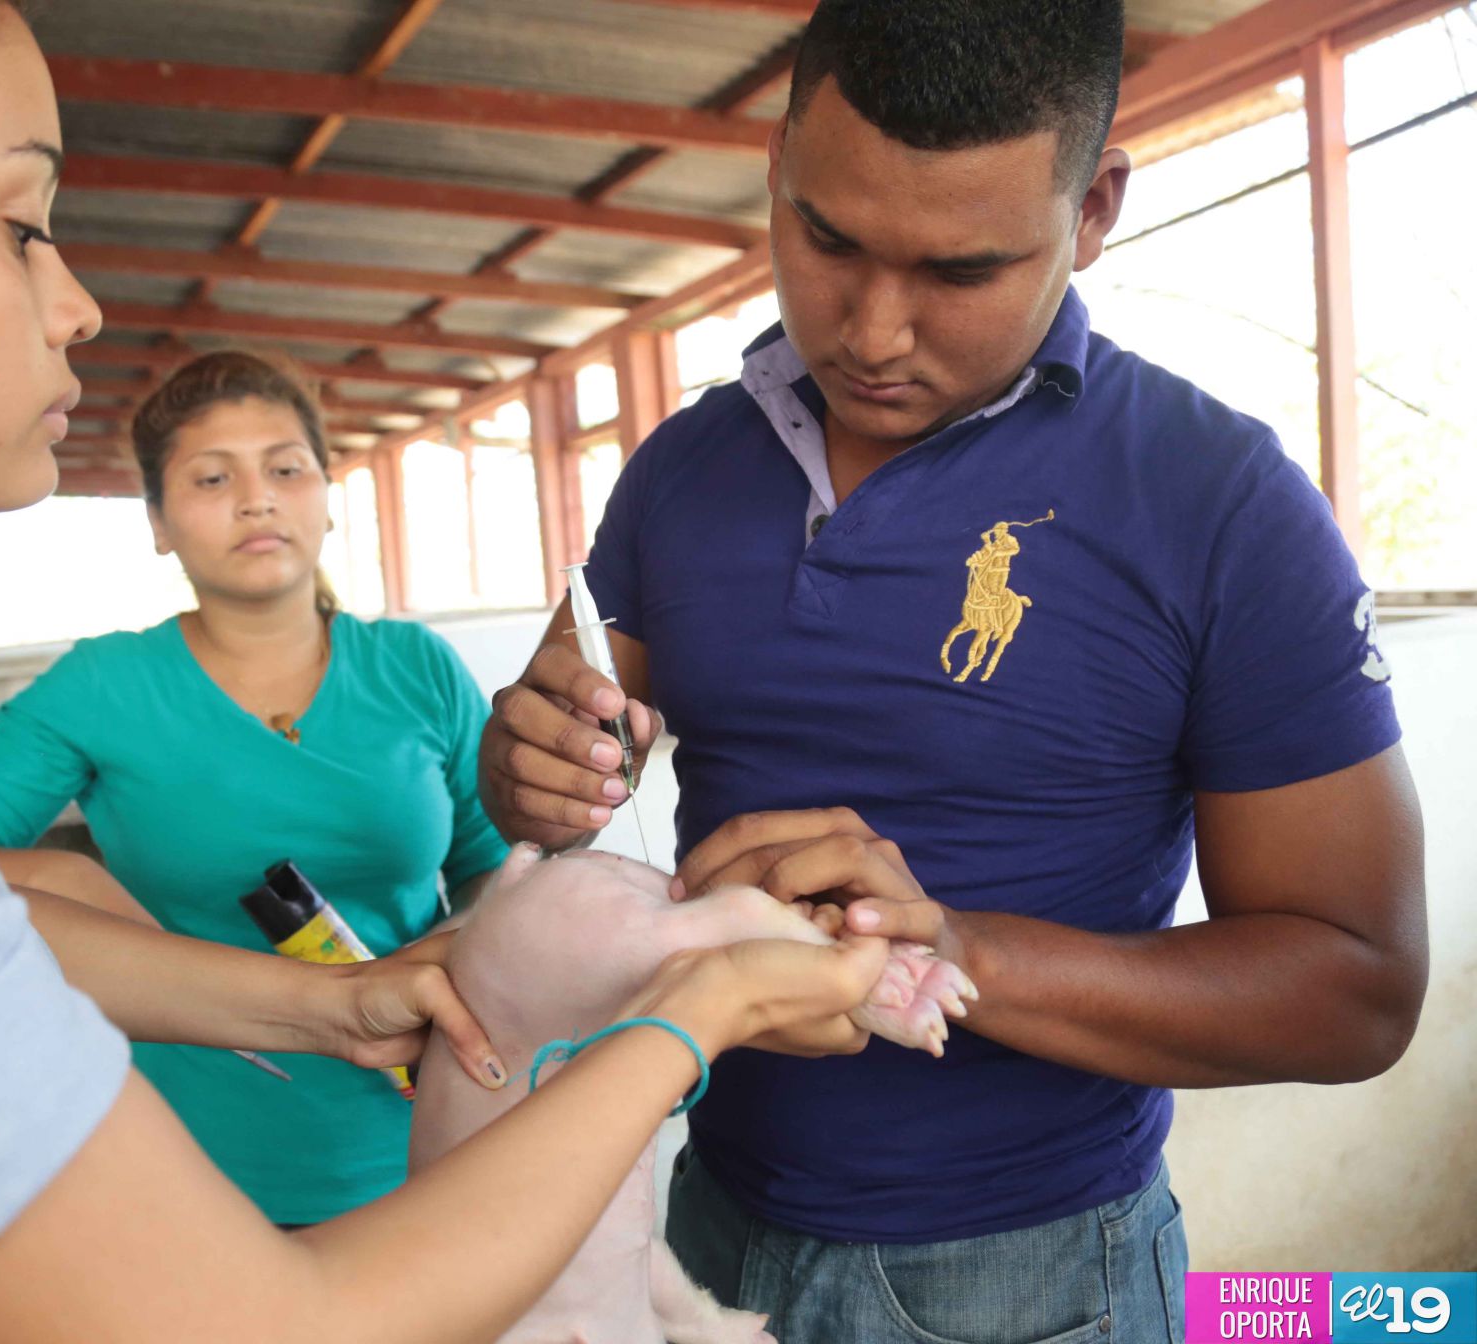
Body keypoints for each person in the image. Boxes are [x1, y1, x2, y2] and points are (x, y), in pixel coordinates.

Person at [0, 2, 909, 1340]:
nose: (77, 301)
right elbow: (275, 1326)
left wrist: (322, 1000)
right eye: (21, 222)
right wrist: (696, 1017)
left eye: (285, 468)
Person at [478, 3, 1428, 1341]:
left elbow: (1359, 988)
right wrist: (528, 766)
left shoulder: (1220, 507)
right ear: (779, 160)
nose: (869, 329)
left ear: (1092, 209)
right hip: (701, 1229)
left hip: (1033, 1282)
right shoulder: (680, 475)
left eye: (961, 270)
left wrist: (958, 950)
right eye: (826, 239)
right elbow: (557, 746)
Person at [0, 349, 512, 1227]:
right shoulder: (104, 685)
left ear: (327, 494)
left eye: (286, 469)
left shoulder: (417, 668)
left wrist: (451, 946)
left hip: (424, 1131)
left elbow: (494, 862)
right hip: (187, 1162)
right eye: (213, 478)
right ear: (159, 523)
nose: (258, 498)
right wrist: (69, 884)